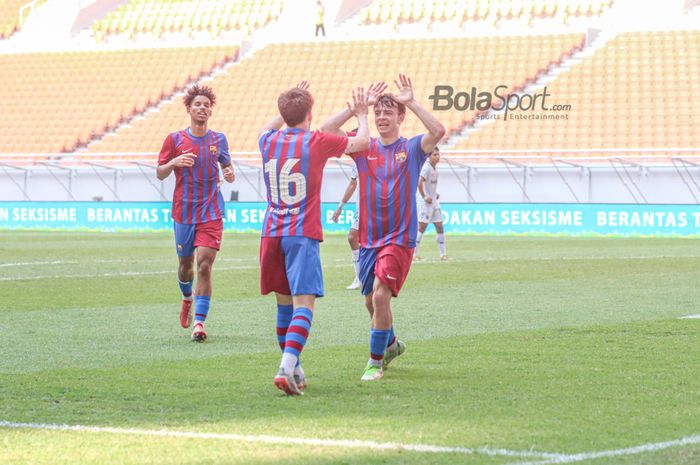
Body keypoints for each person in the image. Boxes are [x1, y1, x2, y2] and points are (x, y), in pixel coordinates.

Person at [321, 75, 445, 381]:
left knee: (379, 297)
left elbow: (439, 131)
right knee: (370, 300)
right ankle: (390, 344)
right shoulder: (364, 145)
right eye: (378, 112)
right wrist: (357, 110)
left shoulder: (413, 147)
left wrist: (411, 101)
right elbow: (326, 132)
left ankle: (374, 363)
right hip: (369, 239)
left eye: (388, 112)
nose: (381, 117)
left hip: (400, 239)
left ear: (400, 117)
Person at [259, 81, 370, 395]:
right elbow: (361, 142)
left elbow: (272, 123)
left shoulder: (266, 140)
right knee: (304, 306)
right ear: (309, 113)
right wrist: (361, 114)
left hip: (270, 233)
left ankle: (295, 368)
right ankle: (284, 367)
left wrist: (288, 106)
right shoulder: (315, 142)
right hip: (301, 233)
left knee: (283, 307)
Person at [156, 85, 235, 342]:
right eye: (198, 104)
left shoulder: (218, 139)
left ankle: (199, 324)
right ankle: (187, 297)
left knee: (204, 266)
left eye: (206, 105)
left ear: (210, 111)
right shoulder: (175, 140)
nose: (202, 108)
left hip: (211, 210)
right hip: (184, 212)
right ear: (189, 109)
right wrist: (173, 162)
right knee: (185, 266)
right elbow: (160, 172)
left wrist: (229, 172)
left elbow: (226, 164)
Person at [415, 146, 447, 261]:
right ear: (429, 156)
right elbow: (419, 182)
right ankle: (414, 254)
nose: (437, 157)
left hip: (434, 201)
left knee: (439, 226)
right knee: (421, 228)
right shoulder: (426, 167)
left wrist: (434, 193)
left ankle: (443, 254)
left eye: (438, 154)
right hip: (425, 202)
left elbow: (430, 184)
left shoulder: (435, 167)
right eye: (435, 155)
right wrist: (425, 196)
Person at [332, 164, 361, 290]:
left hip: (379, 206)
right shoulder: (357, 162)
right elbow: (352, 184)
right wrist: (340, 206)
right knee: (352, 237)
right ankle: (359, 277)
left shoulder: (381, 155)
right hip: (362, 207)